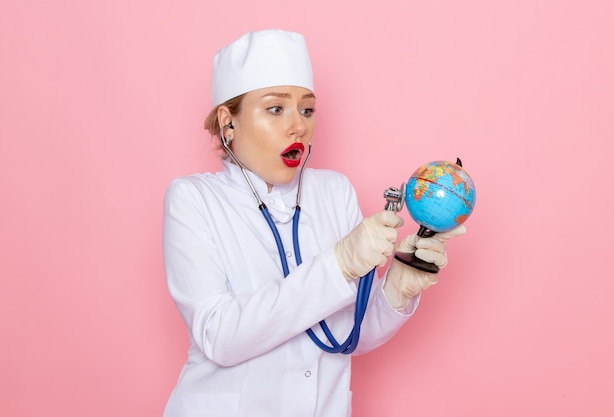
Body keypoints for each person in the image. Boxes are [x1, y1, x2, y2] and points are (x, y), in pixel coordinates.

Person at [162, 29, 466, 417]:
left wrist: (396, 291)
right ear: (228, 122)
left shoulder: (334, 192)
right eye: (275, 109)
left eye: (306, 110)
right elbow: (219, 336)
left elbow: (346, 335)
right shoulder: (193, 200)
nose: (298, 127)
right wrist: (338, 265)